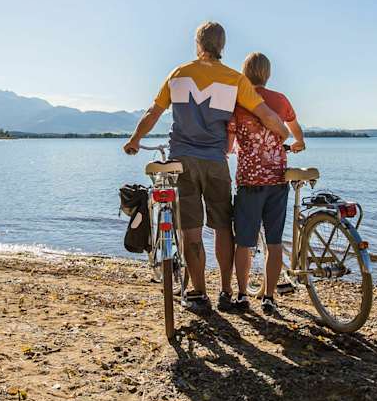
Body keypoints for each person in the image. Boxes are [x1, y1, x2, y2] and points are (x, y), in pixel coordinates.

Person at [124, 22, 291, 313]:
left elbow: (154, 112)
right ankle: (226, 291)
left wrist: (135, 139)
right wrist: (285, 135)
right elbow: (265, 114)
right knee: (223, 227)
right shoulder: (234, 79)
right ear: (222, 46)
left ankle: (199, 293)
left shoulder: (179, 74)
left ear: (197, 43)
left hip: (183, 161)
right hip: (216, 162)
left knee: (192, 231)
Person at [227, 52, 305, 315]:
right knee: (274, 241)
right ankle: (269, 298)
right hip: (277, 179)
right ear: (268, 74)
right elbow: (295, 128)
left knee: (244, 242)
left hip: (249, 180)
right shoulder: (281, 100)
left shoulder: (238, 100)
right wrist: (298, 144)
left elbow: (229, 140)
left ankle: (241, 295)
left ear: (245, 74)